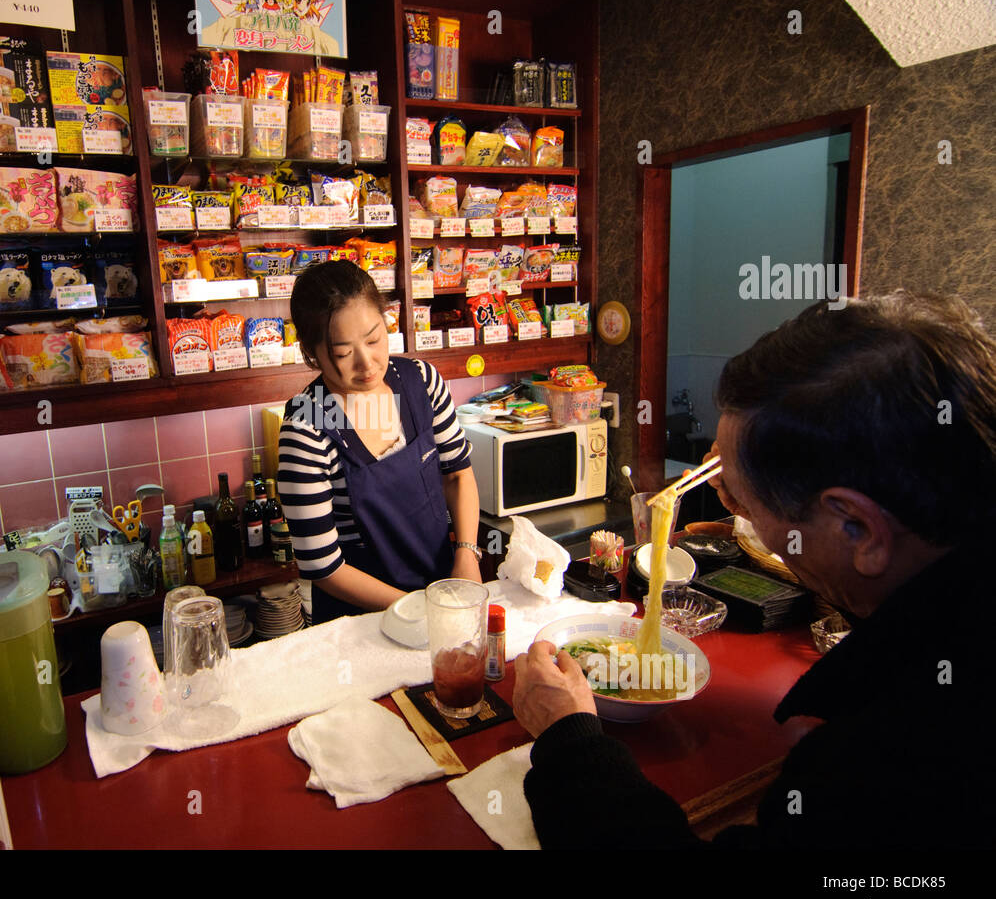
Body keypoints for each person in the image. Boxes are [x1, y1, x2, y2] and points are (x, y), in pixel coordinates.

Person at [513, 290, 996, 847]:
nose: (733, 508)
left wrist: (569, 741)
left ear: (858, 529)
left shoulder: (911, 752)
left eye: (742, 502)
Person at [277, 260, 482, 623]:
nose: (367, 363)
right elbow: (324, 566)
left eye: (374, 339)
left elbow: (457, 474)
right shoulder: (306, 428)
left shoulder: (420, 381)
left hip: (442, 590)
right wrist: (416, 609)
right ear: (312, 353)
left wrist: (467, 552)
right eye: (342, 353)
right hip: (361, 621)